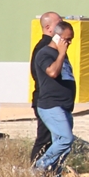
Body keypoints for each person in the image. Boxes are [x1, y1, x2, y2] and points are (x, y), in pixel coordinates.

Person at [32, 21, 78, 177]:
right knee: (66, 139)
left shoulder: (62, 56)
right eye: (67, 39)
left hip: (64, 106)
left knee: (64, 146)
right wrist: (61, 54)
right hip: (51, 105)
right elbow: (52, 72)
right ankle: (40, 166)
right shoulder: (45, 53)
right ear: (57, 38)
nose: (69, 43)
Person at [29, 11, 62, 163]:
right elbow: (42, 75)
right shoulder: (44, 48)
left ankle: (47, 170)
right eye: (58, 24)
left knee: (52, 139)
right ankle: (35, 169)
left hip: (53, 101)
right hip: (46, 100)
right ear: (48, 27)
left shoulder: (55, 48)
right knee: (44, 138)